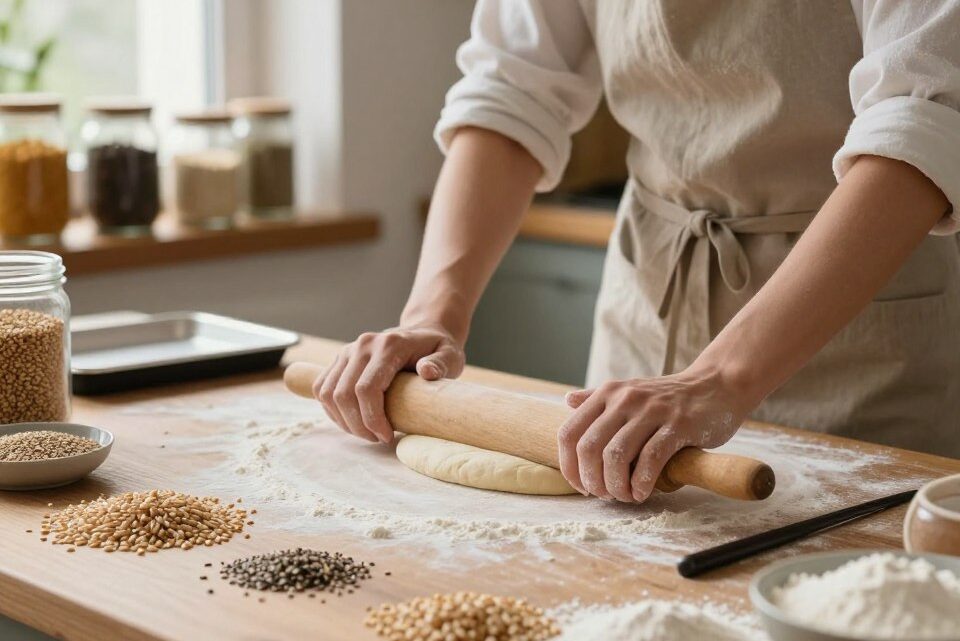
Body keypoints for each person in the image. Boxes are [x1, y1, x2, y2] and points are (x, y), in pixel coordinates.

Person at [313, 1, 960, 502]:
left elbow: (921, 122)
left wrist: (720, 378)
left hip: (861, 322)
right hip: (650, 297)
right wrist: (432, 314)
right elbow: (511, 92)